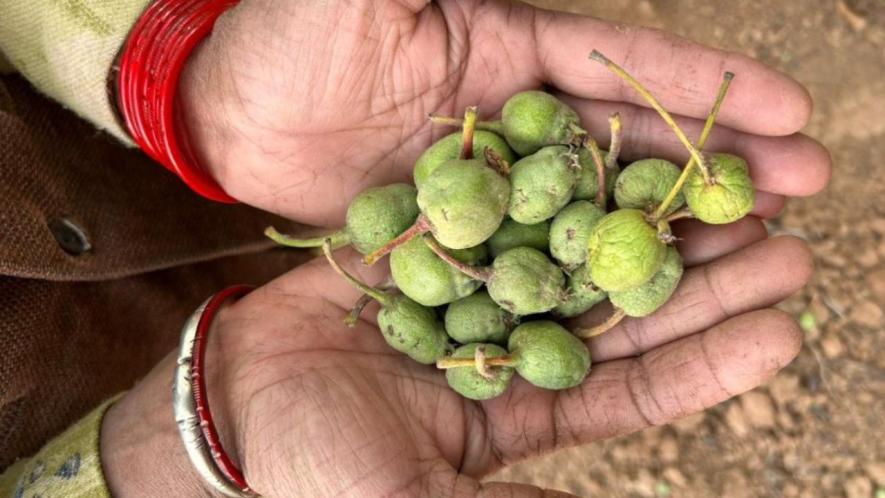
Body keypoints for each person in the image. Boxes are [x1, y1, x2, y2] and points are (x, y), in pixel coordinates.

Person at [0, 0, 831, 496]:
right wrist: (177, 467)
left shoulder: (486, 228)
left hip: (189, 164)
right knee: (352, 248)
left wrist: (180, 69)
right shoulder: (480, 260)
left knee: (338, 241)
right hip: (247, 341)